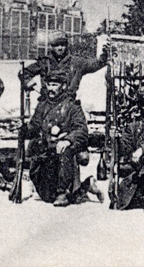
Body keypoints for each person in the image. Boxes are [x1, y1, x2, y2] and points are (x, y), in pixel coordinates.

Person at [22, 71, 88, 207]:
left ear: (63, 86)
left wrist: (68, 140)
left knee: (65, 151)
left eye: (54, 85)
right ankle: (84, 187)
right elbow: (35, 125)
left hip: (63, 148)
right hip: (46, 148)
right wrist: (25, 129)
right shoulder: (43, 105)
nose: (51, 88)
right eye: (49, 84)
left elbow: (81, 129)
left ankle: (62, 192)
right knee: (46, 196)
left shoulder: (72, 105)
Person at [16, 31, 107, 98]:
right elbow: (23, 73)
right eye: (56, 45)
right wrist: (36, 88)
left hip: (69, 104)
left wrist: (105, 55)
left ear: (67, 46)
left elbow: (97, 64)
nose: (60, 48)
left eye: (62, 45)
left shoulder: (77, 63)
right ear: (51, 47)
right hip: (47, 103)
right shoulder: (44, 63)